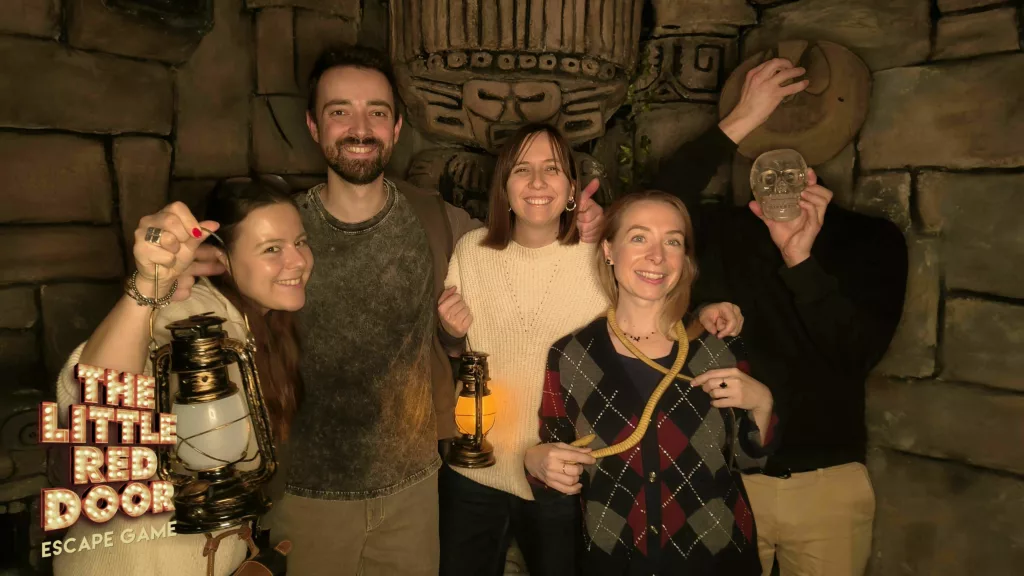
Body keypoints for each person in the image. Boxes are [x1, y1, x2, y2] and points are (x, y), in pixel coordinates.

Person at [261, 46, 606, 576]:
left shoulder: (437, 221)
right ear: (313, 124)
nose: (360, 128)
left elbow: (520, 261)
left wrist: (595, 227)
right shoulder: (282, 230)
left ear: (397, 127)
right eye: (340, 111)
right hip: (311, 495)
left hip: (416, 495)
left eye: (377, 111)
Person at [437, 124, 744, 576]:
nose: (537, 182)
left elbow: (654, 303)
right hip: (475, 470)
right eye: (522, 170)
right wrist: (448, 331)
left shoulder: (598, 256)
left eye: (552, 169)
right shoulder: (471, 250)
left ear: (572, 190)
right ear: (503, 186)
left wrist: (706, 311)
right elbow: (454, 348)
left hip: (564, 473)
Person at [652, 58, 908, 576]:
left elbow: (856, 353)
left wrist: (800, 260)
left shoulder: (870, 241)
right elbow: (650, 205)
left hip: (826, 484)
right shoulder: (721, 230)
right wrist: (742, 118)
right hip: (721, 480)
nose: (779, 179)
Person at [53, 176, 312, 576]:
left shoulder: (265, 323)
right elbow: (97, 403)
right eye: (272, 249)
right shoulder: (192, 315)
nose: (298, 261)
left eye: (300, 242)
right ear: (221, 257)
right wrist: (147, 287)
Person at [530, 191, 778, 575]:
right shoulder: (570, 357)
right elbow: (556, 463)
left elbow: (751, 460)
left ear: (685, 260)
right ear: (609, 250)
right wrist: (535, 460)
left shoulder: (718, 348)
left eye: (672, 242)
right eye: (639, 237)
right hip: (614, 564)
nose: (657, 256)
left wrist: (762, 403)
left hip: (718, 563)